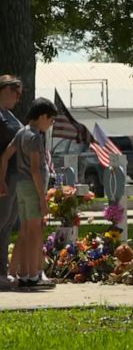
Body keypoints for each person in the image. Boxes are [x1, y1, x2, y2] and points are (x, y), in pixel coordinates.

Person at [0, 97, 57, 289]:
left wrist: (2, 181)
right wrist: (42, 198)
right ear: (42, 116)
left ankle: (24, 274)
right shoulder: (34, 137)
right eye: (50, 120)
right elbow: (35, 169)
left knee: (25, 231)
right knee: (35, 233)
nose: (50, 124)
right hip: (32, 187)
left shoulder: (20, 132)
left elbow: (6, 156)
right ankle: (33, 276)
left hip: (20, 186)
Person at [0, 75, 23, 289]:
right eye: (15, 92)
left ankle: (2, 271)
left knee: (7, 224)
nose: (18, 97)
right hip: (4, 176)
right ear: (5, 89)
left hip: (16, 175)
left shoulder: (9, 115)